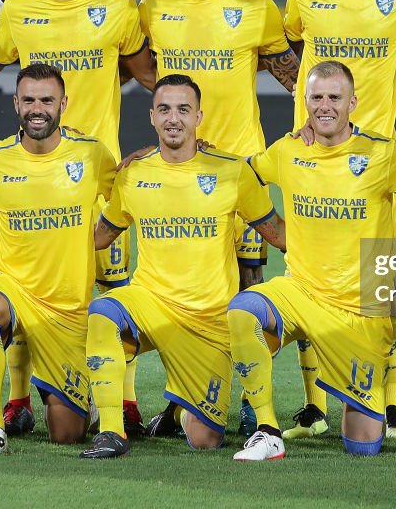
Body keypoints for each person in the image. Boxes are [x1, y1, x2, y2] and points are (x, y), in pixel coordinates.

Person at [0, 0, 152, 437]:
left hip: (100, 174)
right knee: (28, 279)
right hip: (36, 165)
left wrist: (182, 126)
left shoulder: (117, 9)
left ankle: (125, 401)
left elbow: (148, 75)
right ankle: (17, 399)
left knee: (111, 289)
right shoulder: (19, 9)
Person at [227, 61, 396, 461]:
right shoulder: (289, 149)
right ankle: (266, 429)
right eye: (316, 97)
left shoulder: (382, 155)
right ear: (304, 101)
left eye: (334, 97)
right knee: (243, 311)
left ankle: (358, 405)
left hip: (357, 313)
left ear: (353, 102)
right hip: (299, 291)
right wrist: (273, 230)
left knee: (362, 445)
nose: (324, 105)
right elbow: (239, 175)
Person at [138, 0, 299, 434]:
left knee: (249, 286)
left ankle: (254, 405)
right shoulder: (152, 7)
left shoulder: (256, 8)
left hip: (242, 168)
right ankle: (185, 396)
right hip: (180, 171)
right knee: (177, 288)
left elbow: (293, 80)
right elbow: (143, 75)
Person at [281, 0, 396, 441]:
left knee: (377, 284)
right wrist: (309, 114)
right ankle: (313, 407)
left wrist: (383, 98)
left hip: (374, 163)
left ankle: (388, 404)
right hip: (313, 160)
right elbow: (293, 54)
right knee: (309, 279)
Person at [79, 74, 285, 459]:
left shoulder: (232, 171)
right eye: (165, 109)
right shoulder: (133, 173)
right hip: (151, 303)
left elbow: (278, 233)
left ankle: (177, 410)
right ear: (152, 117)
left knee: (205, 439)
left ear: (199, 117)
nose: (174, 118)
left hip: (208, 319)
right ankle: (111, 430)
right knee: (103, 313)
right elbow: (99, 236)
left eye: (183, 110)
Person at [0, 63, 117, 456]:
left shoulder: (92, 155)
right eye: (28, 100)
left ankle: (77, 399)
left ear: (64, 103)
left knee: (66, 433)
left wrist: (98, 238)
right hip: (11, 283)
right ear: (16, 103)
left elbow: (130, 195)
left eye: (46, 99)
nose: (37, 108)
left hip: (65, 306)